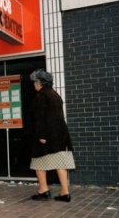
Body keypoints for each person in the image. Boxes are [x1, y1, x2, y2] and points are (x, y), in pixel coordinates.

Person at [29, 69, 75, 202]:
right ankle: (65, 192)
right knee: (61, 163)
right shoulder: (55, 94)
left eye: (35, 82)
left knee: (38, 162)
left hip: (47, 135)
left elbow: (40, 117)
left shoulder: (41, 96)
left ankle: (43, 189)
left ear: (40, 83)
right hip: (60, 134)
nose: (34, 85)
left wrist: (41, 135)